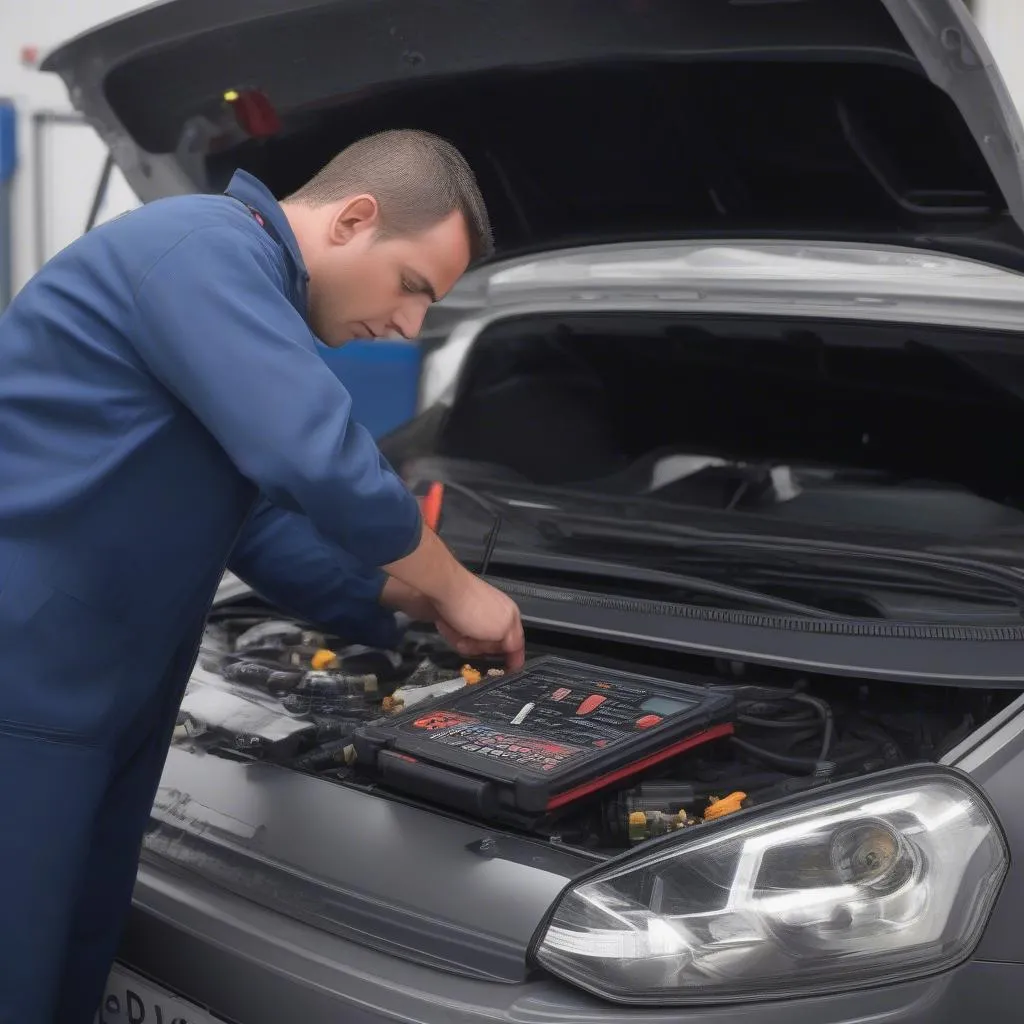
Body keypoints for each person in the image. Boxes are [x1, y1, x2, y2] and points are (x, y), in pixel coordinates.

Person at [0, 128, 524, 1021]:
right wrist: (454, 584)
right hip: (27, 686)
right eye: (412, 289)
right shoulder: (204, 249)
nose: (406, 328)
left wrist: (401, 601)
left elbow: (260, 527)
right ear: (354, 219)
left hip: (105, 694)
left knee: (69, 964)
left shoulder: (245, 290)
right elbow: (313, 457)